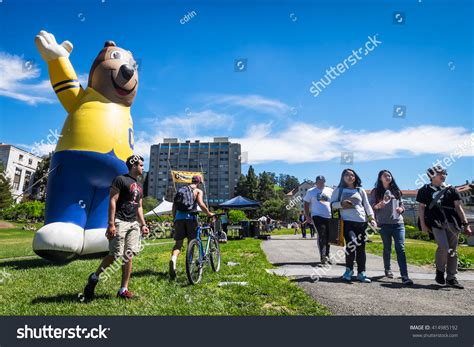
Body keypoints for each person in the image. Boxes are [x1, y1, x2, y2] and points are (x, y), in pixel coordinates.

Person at [83, 155, 149, 300]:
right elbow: (113, 200)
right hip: (120, 221)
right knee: (115, 255)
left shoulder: (139, 185)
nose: (143, 168)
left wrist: (143, 224)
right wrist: (111, 223)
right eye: (141, 165)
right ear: (133, 165)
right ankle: (94, 278)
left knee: (129, 255)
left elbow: (139, 207)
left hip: (133, 223)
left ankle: (123, 290)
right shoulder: (120, 180)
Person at [417, 166, 472, 289]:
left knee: (452, 251)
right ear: (432, 175)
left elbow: (458, 207)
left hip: (452, 222)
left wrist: (465, 224)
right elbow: (421, 208)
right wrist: (423, 224)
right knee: (443, 247)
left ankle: (451, 278)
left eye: (444, 173)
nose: (443, 175)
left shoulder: (451, 189)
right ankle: (440, 271)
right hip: (436, 222)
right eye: (440, 173)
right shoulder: (424, 190)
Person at [331, 169, 377, 283]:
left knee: (361, 248)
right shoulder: (339, 190)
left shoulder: (360, 190)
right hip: (347, 222)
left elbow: (366, 205)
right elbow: (332, 205)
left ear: (355, 177)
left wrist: (371, 218)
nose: (350, 177)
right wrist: (342, 204)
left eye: (352, 175)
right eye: (347, 175)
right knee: (351, 244)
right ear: (342, 177)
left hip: (361, 222)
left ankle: (361, 273)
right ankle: (348, 271)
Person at [370, 170, 413, 285]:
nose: (388, 177)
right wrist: (377, 206)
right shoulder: (375, 192)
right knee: (387, 248)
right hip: (383, 224)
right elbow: (371, 207)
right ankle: (387, 269)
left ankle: (404, 276)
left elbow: (401, 204)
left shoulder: (396, 191)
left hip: (398, 224)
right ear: (380, 178)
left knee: (401, 248)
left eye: (389, 175)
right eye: (385, 176)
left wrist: (401, 209)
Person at [169, 176, 214, 280]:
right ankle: (189, 265)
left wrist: (175, 218)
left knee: (178, 244)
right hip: (191, 219)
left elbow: (174, 206)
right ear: (199, 183)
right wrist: (208, 213)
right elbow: (201, 204)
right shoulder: (197, 191)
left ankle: (173, 260)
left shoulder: (181, 190)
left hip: (179, 219)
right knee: (192, 243)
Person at [304, 175, 334, 264]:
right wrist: (307, 215)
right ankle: (323, 256)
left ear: (325, 182)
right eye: (319, 182)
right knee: (322, 234)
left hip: (329, 216)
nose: (321, 184)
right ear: (316, 182)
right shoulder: (311, 191)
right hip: (317, 216)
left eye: (322, 182)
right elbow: (306, 203)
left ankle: (327, 255)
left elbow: (333, 203)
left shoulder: (330, 190)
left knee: (328, 237)